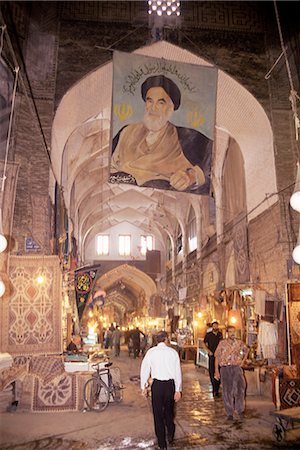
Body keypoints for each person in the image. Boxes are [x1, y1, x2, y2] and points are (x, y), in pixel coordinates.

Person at [110, 75, 212, 194]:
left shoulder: (189, 137)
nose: (153, 108)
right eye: (149, 101)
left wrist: (191, 176)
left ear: (171, 108)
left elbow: (214, 163)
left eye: (161, 103)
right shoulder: (126, 131)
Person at [140, 331, 182, 450]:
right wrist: (178, 390)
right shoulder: (173, 352)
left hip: (157, 385)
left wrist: (144, 387)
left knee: (157, 415)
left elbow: (144, 369)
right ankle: (170, 434)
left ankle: (162, 444)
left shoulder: (151, 352)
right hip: (170, 385)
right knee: (169, 412)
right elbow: (177, 372)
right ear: (166, 339)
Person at [214, 326, 249, 421]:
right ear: (227, 333)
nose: (232, 333)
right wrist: (216, 371)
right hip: (225, 369)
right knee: (227, 391)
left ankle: (240, 410)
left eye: (234, 332)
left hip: (236, 368)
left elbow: (246, 351)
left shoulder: (239, 343)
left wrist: (243, 361)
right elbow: (217, 357)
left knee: (240, 388)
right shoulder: (222, 343)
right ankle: (229, 413)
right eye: (230, 332)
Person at [203, 320, 223, 397]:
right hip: (212, 356)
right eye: (214, 326)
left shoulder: (220, 334)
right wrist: (208, 351)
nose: (215, 327)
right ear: (212, 327)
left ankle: (217, 388)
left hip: (219, 356)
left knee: (219, 371)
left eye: (216, 326)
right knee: (212, 372)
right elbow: (204, 343)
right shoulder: (208, 335)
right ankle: (214, 389)